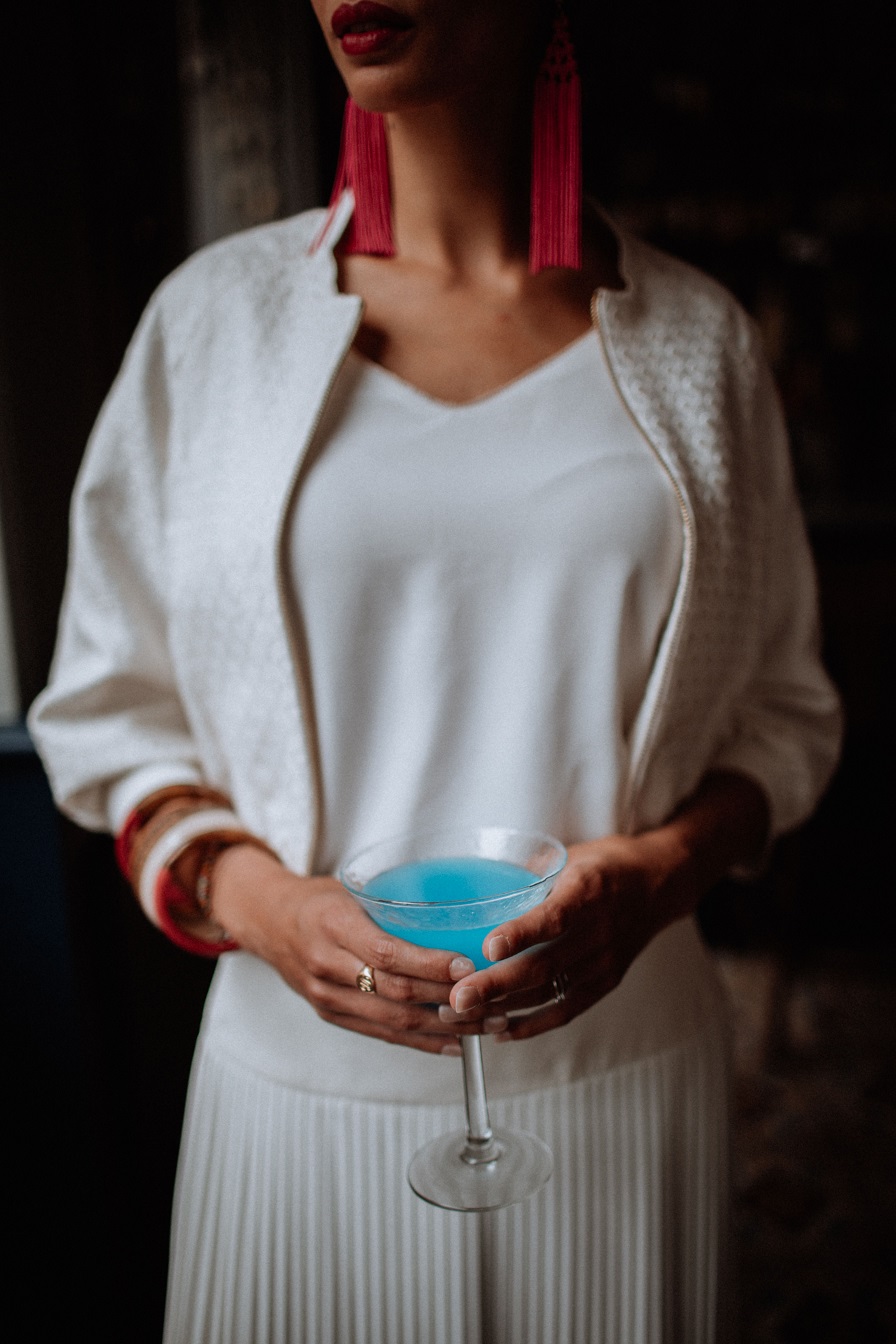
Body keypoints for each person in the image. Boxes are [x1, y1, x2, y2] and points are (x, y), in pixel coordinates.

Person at [29, 1, 842, 1340]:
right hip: (299, 1095)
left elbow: (787, 713)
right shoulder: (209, 325)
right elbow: (110, 710)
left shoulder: (703, 344)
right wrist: (260, 904)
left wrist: (661, 874)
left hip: (619, 1078)